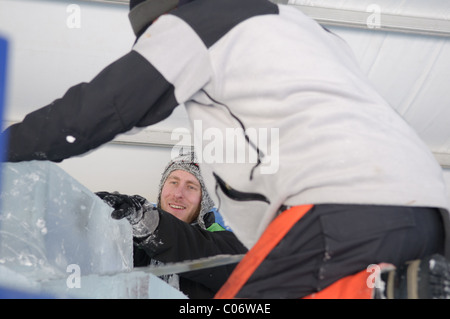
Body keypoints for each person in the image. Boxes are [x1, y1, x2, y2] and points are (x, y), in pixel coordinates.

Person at [2, 0, 450, 298]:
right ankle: (385, 290)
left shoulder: (197, 21)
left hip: (338, 208)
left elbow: (98, 109)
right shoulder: (304, 33)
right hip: (426, 213)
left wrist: (7, 147)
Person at [96, 151, 247, 299]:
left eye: (191, 186)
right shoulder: (132, 236)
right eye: (173, 182)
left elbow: (194, 249)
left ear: (205, 200)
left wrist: (147, 220)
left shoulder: (230, 247)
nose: (177, 194)